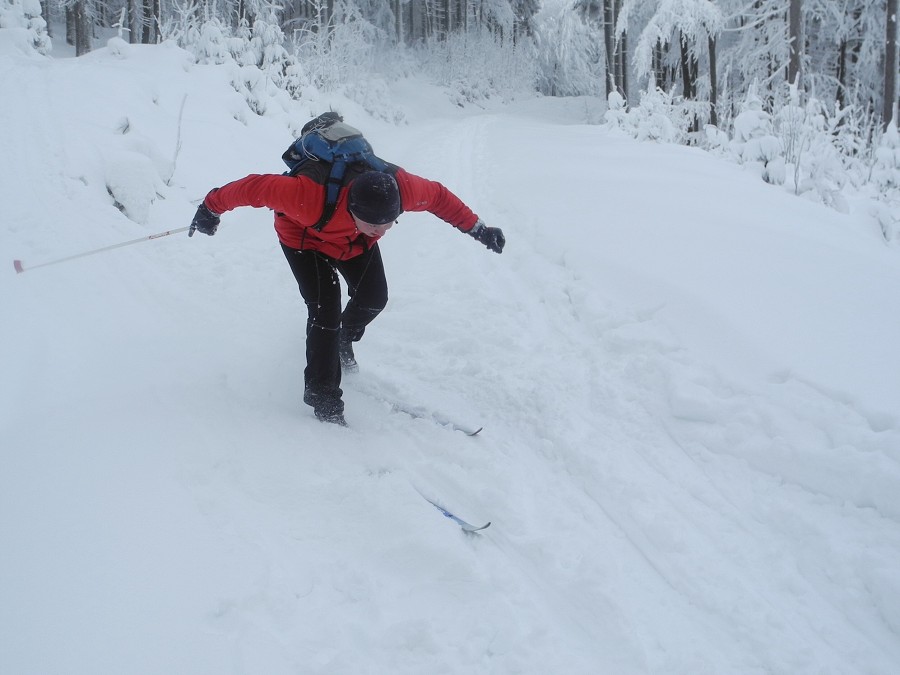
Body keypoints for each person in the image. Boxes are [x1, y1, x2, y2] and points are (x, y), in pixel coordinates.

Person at [189, 125, 505, 426]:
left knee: (374, 297)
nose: (382, 232)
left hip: (352, 243)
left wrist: (479, 230)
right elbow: (251, 189)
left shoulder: (400, 188)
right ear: (353, 210)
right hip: (305, 240)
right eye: (375, 226)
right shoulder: (305, 196)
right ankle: (322, 396)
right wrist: (209, 208)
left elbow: (439, 197)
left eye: (389, 224)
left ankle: (341, 341)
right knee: (326, 307)